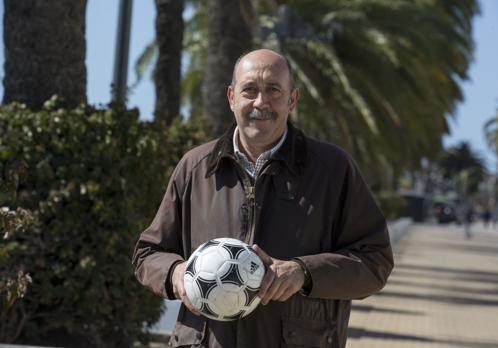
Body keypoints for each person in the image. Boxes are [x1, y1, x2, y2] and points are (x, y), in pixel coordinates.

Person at [132, 48, 393, 348]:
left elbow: (375, 261)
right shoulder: (195, 167)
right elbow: (147, 253)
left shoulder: (333, 171)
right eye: (250, 90)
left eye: (273, 90)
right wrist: (175, 274)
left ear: (292, 100)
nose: (260, 102)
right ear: (231, 98)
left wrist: (303, 273)